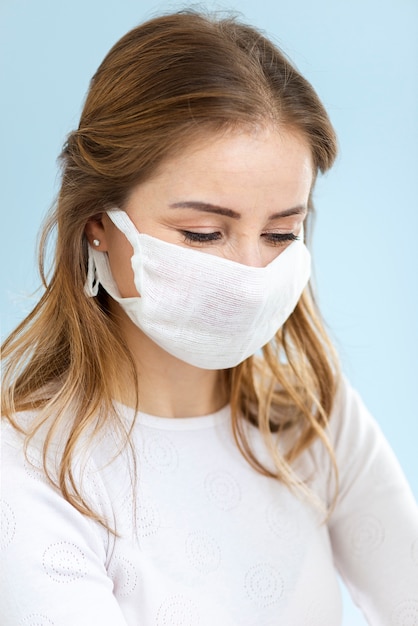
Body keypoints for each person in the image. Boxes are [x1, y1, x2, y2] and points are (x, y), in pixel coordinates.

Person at [1, 10, 417, 626]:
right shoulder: (32, 466)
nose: (250, 273)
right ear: (97, 228)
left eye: (281, 232)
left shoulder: (308, 416)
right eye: (203, 234)